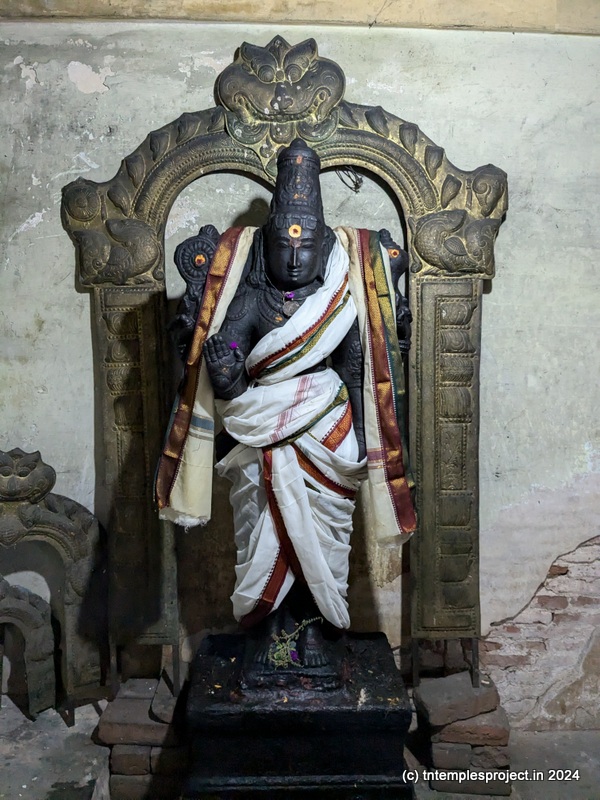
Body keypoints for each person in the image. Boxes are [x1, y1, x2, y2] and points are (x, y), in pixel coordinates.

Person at [156, 139, 416, 667]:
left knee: (322, 535)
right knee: (263, 531)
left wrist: (364, 447)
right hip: (259, 433)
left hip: (328, 434)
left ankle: (315, 631)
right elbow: (226, 366)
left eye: (306, 248)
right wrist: (226, 375)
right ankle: (268, 633)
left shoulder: (339, 296)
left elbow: (355, 371)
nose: (295, 259)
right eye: (284, 247)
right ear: (266, 246)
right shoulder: (252, 298)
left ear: (323, 248)